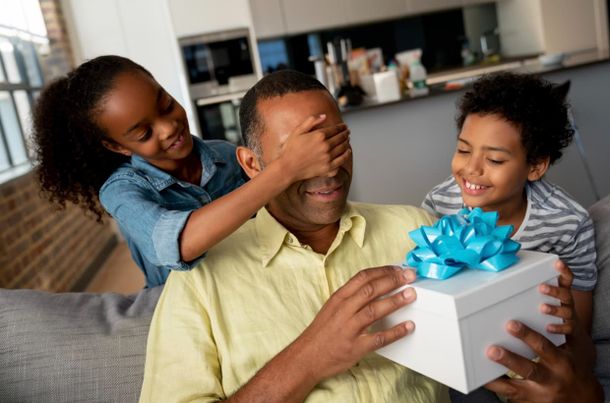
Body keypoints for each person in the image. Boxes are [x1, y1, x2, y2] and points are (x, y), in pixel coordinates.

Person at [139, 70, 597, 402]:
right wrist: (309, 358)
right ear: (253, 165)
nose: (329, 166)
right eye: (300, 154)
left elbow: (514, 345)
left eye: (337, 142)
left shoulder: (419, 230)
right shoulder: (198, 281)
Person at [32, 55, 351, 287]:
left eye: (166, 104)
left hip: (251, 287)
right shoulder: (121, 192)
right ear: (117, 146)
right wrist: (286, 167)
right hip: (183, 310)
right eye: (144, 133)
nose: (169, 127)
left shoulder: (226, 156)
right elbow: (178, 243)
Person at [422, 72, 601, 401]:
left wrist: (568, 321)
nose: (472, 169)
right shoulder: (440, 205)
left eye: (494, 159)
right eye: (463, 150)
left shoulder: (567, 223)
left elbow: (580, 343)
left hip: (536, 349)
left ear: (535, 167)